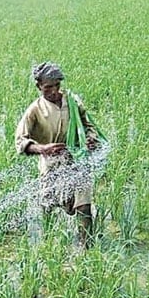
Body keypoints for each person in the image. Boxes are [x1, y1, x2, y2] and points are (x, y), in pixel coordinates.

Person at [14, 61, 100, 248]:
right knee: (48, 206)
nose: (53, 91)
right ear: (39, 86)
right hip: (51, 164)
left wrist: (90, 139)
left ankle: (87, 247)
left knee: (83, 205)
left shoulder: (73, 102)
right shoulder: (35, 110)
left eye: (56, 86)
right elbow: (20, 141)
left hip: (77, 161)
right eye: (47, 88)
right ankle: (50, 246)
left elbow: (89, 126)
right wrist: (42, 149)